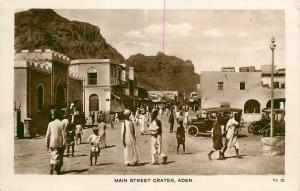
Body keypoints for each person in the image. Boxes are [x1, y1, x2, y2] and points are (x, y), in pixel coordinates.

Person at [46, 110, 65, 175]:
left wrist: (47, 145)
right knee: (60, 156)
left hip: (52, 142)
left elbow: (47, 135)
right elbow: (64, 135)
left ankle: (51, 168)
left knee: (53, 156)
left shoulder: (50, 123)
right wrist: (64, 143)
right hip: (60, 142)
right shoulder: (62, 123)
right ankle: (58, 170)